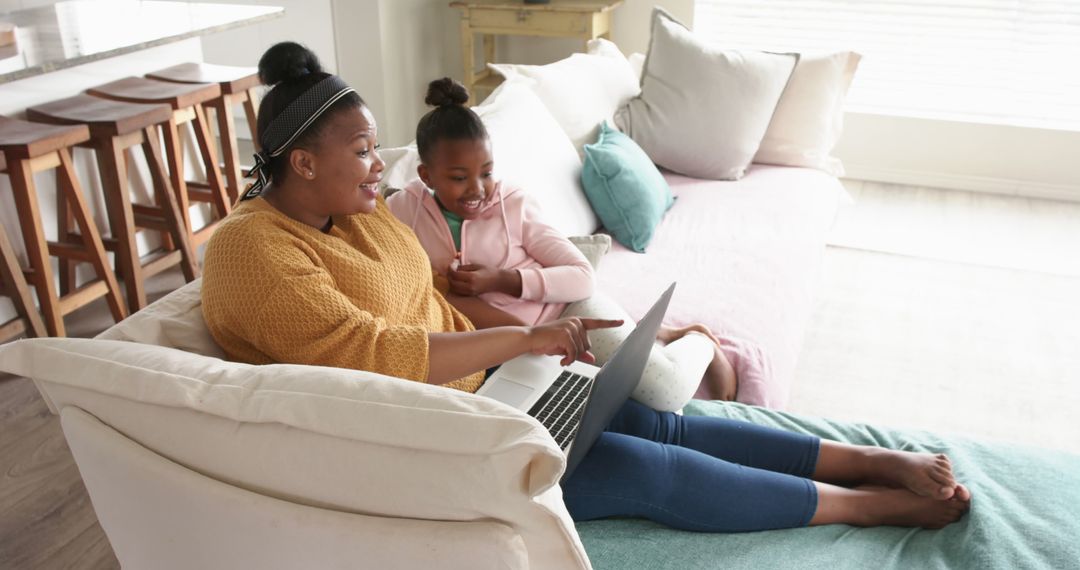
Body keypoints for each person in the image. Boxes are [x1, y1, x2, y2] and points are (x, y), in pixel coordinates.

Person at [201, 42, 971, 534]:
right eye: (365, 150)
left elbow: (432, 303)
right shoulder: (250, 252)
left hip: (490, 391)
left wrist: (528, 352)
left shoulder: (359, 219)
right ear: (302, 162)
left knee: (655, 419)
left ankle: (865, 461)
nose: (380, 165)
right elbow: (374, 354)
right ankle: (876, 508)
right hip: (424, 440)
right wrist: (527, 337)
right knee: (650, 472)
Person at [387, 77, 738, 410]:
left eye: (487, 172)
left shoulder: (514, 204)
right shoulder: (403, 210)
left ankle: (700, 340)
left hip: (567, 312)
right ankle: (656, 332)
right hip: (507, 342)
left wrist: (501, 280)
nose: (478, 189)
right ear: (426, 176)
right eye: (459, 178)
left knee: (665, 393)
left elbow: (582, 276)